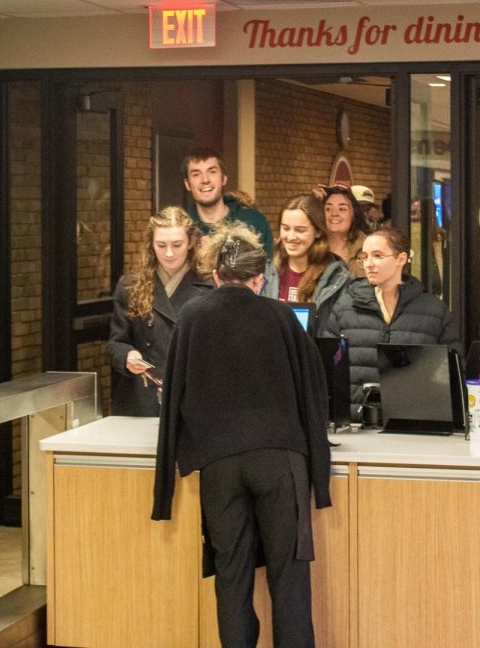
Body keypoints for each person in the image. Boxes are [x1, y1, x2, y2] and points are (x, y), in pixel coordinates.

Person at [152, 223, 332, 648]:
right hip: (279, 460)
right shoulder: (283, 317)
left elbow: (173, 392)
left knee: (231, 576)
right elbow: (315, 393)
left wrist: (165, 484)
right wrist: (320, 479)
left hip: (218, 466)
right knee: (289, 577)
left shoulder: (192, 317)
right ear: (259, 278)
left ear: (215, 274)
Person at [321, 227, 459, 409]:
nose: (369, 263)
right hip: (356, 420)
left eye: (377, 256)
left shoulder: (434, 310)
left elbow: (454, 372)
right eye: (364, 257)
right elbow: (326, 367)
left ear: (401, 259)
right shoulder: (345, 306)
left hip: (413, 420)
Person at [108, 206, 212, 416]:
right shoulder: (130, 285)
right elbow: (116, 342)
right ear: (151, 245)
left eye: (177, 244)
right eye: (161, 245)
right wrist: (127, 355)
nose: (169, 253)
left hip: (191, 397)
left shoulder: (210, 285)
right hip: (143, 396)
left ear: (191, 242)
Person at [264, 194, 350, 334]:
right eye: (285, 228)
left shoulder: (336, 277)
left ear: (318, 231)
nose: (290, 237)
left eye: (300, 230)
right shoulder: (266, 271)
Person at [182, 147, 274, 257]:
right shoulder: (182, 229)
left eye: (212, 172)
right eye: (196, 174)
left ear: (224, 178)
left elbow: (270, 271)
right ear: (187, 184)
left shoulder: (254, 221)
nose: (205, 180)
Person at [321, 185, 369, 277]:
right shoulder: (313, 249)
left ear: (354, 214)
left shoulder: (368, 248)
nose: (334, 213)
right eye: (328, 209)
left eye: (342, 209)